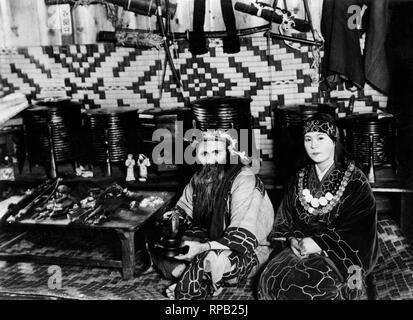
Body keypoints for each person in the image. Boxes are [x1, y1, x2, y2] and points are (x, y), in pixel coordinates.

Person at [258, 113, 379, 300]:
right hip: (300, 251)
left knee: (312, 287)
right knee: (269, 280)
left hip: (340, 256)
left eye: (320, 138)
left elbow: (360, 230)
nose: (313, 145)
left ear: (334, 141)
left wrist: (319, 244)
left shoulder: (356, 180)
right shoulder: (298, 178)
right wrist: (291, 240)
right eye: (308, 139)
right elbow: (285, 219)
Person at [151, 129, 275, 300]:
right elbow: (183, 210)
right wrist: (170, 223)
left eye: (216, 152)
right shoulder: (199, 178)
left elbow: (242, 236)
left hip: (248, 249)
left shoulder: (244, 179)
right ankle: (199, 276)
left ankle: (193, 278)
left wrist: (201, 248)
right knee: (157, 242)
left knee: (215, 260)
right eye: (204, 153)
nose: (210, 158)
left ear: (229, 154)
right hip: (210, 239)